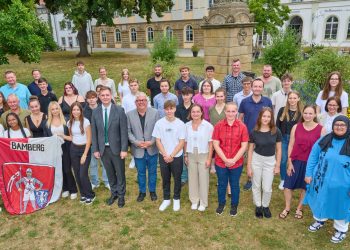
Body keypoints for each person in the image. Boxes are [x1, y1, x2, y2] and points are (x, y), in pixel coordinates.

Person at [304, 116, 350, 244]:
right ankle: (319, 220)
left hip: (343, 185)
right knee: (321, 200)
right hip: (322, 180)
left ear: (347, 127)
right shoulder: (325, 139)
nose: (339, 127)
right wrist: (308, 174)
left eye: (342, 125)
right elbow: (313, 156)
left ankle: (341, 230)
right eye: (337, 124)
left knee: (341, 205)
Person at [279, 105, 326, 220]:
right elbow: (290, 145)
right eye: (305, 113)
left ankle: (299, 208)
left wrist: (317, 167)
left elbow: (322, 151)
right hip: (295, 161)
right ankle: (287, 207)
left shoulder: (321, 129)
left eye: (310, 113)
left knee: (305, 187)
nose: (308, 116)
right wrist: (289, 162)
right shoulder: (296, 127)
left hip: (311, 164)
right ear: (302, 114)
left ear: (315, 115)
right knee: (287, 185)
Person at [91, 86, 128, 208]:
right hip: (103, 149)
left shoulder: (119, 110)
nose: (105, 97)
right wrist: (96, 149)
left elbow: (123, 131)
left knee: (120, 173)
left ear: (111, 95)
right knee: (110, 172)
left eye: (107, 95)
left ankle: (122, 195)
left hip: (117, 149)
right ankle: (114, 193)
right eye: (102, 95)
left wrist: (124, 149)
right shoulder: (95, 112)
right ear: (99, 97)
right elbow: (94, 132)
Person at [212, 102, 249, 216]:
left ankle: (234, 205)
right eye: (228, 111)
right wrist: (225, 159)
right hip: (220, 162)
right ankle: (221, 203)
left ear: (236, 112)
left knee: (234, 184)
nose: (231, 113)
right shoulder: (219, 125)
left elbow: (244, 146)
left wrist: (233, 160)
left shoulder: (242, 126)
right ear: (225, 112)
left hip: (236, 162)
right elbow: (216, 144)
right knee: (222, 184)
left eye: (233, 111)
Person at [247, 107, 282, 218]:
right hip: (256, 160)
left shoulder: (276, 131)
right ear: (260, 117)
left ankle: (265, 206)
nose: (266, 118)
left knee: (267, 187)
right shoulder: (254, 131)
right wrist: (249, 166)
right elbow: (250, 149)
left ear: (271, 118)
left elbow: (279, 149)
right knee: (256, 185)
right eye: (264, 116)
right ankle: (258, 205)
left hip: (270, 161)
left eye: (268, 116)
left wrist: (277, 165)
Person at [239, 78, 272, 191]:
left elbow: (270, 118)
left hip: (264, 136)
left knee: (263, 158)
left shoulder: (267, 101)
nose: (257, 88)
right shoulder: (244, 102)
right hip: (249, 136)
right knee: (250, 158)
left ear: (262, 88)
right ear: (252, 87)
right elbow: (240, 119)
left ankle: (262, 179)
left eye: (260, 86)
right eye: (255, 86)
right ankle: (250, 179)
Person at [152, 100, 186, 212]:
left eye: (171, 108)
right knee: (165, 178)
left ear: (175, 109)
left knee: (177, 178)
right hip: (163, 156)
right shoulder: (159, 123)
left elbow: (181, 142)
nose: (169, 111)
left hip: (176, 156)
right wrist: (165, 155)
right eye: (167, 109)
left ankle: (176, 198)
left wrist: (172, 155)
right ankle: (166, 199)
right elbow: (158, 140)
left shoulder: (180, 124)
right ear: (164, 110)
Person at [127, 92, 159, 202]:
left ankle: (152, 191)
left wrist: (152, 141)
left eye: (143, 100)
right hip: (138, 149)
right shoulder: (129, 114)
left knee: (152, 172)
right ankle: (142, 192)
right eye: (139, 100)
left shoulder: (155, 113)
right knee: (140, 172)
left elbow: (158, 130)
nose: (141, 102)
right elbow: (128, 131)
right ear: (135, 102)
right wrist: (136, 142)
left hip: (152, 148)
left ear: (147, 101)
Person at [43, 101, 78, 200]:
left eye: (56, 108)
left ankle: (73, 189)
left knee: (67, 169)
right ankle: (65, 188)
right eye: (52, 109)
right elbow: (46, 138)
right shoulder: (46, 124)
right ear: (50, 111)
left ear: (59, 109)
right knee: (60, 169)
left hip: (66, 147)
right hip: (54, 149)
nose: (55, 111)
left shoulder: (66, 120)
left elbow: (71, 135)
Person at [184, 104, 213, 212]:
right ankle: (194, 201)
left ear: (202, 113)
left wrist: (209, 159)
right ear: (190, 114)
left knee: (203, 178)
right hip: (191, 153)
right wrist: (185, 155)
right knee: (192, 178)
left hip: (203, 154)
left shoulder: (208, 126)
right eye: (193, 112)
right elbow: (185, 142)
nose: (195, 114)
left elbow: (211, 144)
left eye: (197, 111)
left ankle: (203, 202)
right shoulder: (186, 126)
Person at [68, 102, 95, 205]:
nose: (76, 112)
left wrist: (84, 154)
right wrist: (61, 135)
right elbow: (71, 137)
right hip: (73, 149)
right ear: (71, 111)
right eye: (74, 110)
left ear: (81, 110)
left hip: (84, 149)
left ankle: (90, 195)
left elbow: (89, 139)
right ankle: (83, 194)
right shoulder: (69, 122)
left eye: (77, 110)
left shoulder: (86, 122)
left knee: (83, 174)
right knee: (77, 173)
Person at [276, 91, 303, 190]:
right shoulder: (282, 110)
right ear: (287, 99)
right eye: (290, 98)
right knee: (283, 160)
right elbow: (277, 125)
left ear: (298, 99)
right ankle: (283, 179)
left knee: (293, 160)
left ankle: (293, 179)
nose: (292, 100)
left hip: (296, 140)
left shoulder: (301, 113)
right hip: (283, 138)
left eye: (294, 98)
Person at [83, 91, 109, 190]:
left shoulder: (103, 108)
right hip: (90, 141)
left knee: (104, 163)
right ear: (86, 100)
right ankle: (94, 181)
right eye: (89, 98)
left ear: (97, 98)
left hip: (103, 140)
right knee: (93, 163)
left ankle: (107, 181)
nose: (91, 100)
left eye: (93, 97)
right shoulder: (84, 111)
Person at [175, 87, 194, 186]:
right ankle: (183, 177)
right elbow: (177, 122)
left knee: (192, 155)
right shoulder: (178, 108)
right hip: (182, 135)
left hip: (193, 135)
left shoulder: (195, 107)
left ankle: (192, 176)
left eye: (187, 94)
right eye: (183, 95)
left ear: (191, 95)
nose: (185, 97)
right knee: (183, 156)